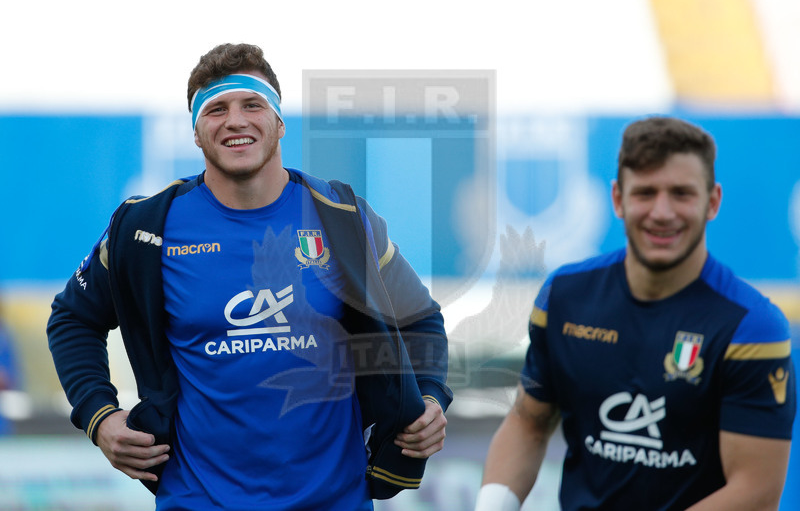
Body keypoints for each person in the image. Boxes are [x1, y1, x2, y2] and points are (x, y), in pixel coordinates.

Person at [46, 43, 452, 510]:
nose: (235, 121)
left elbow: (420, 318)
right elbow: (72, 319)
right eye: (216, 109)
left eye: (252, 105)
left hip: (334, 500)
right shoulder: (145, 228)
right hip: (197, 501)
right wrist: (99, 416)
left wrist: (430, 397)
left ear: (279, 121)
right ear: (196, 132)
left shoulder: (341, 217)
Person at [476, 116, 796, 510]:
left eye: (681, 193)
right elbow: (528, 422)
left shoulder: (751, 326)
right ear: (618, 199)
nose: (662, 212)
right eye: (645, 192)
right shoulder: (565, 296)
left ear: (712, 201)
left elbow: (755, 492)